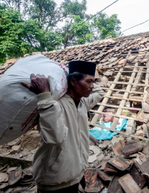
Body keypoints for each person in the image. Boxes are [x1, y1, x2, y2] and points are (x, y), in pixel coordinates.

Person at [21, 61, 104, 193]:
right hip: (55, 181)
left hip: (75, 175)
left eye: (93, 81)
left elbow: (100, 92)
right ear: (72, 81)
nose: (92, 86)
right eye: (88, 81)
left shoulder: (82, 102)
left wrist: (71, 73)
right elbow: (56, 137)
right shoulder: (54, 105)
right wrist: (44, 95)